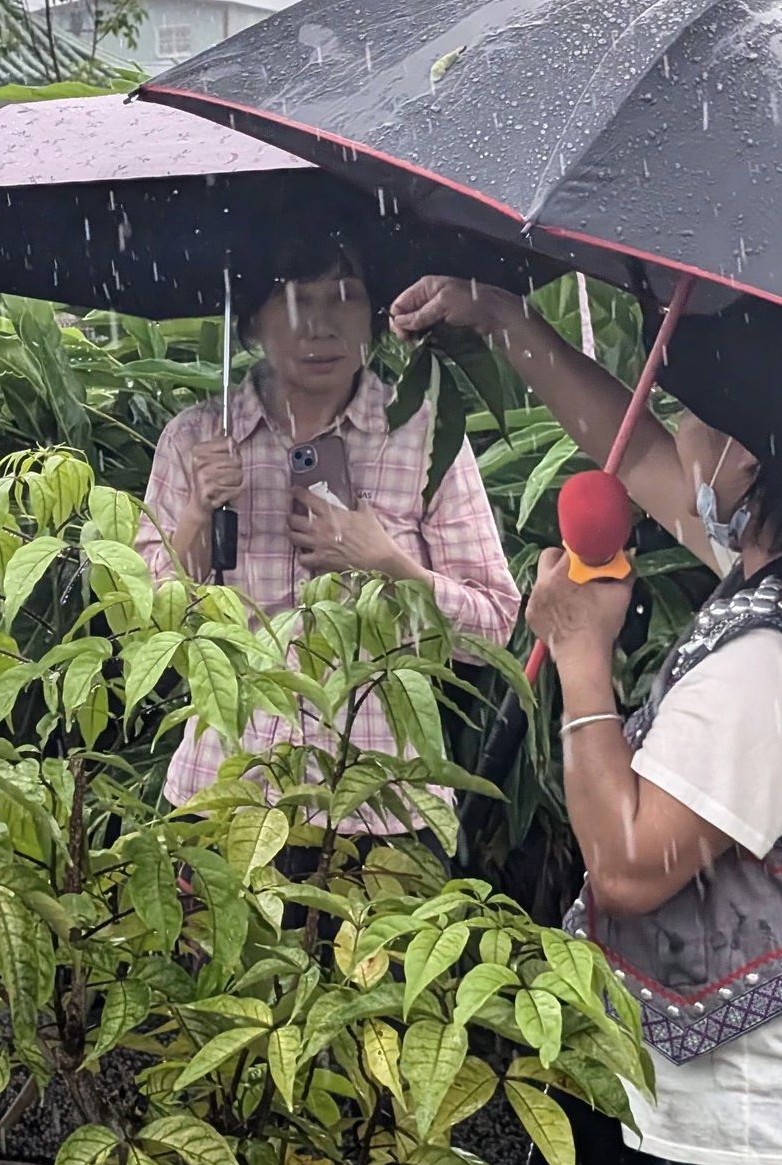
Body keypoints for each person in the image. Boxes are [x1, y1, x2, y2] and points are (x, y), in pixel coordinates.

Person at [393, 277, 782, 1165]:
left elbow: (627, 864)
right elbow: (637, 452)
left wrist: (578, 655)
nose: (678, 440)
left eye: (697, 420)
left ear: (742, 456)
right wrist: (506, 322)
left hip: (766, 1131)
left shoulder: (774, 662)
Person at [135, 237, 518, 836]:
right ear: (252, 324)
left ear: (374, 315)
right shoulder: (197, 440)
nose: (319, 326)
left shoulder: (419, 435)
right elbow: (151, 633)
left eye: (345, 298)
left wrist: (390, 564)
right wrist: (197, 514)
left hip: (381, 806)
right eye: (293, 300)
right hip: (225, 797)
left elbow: (493, 625)